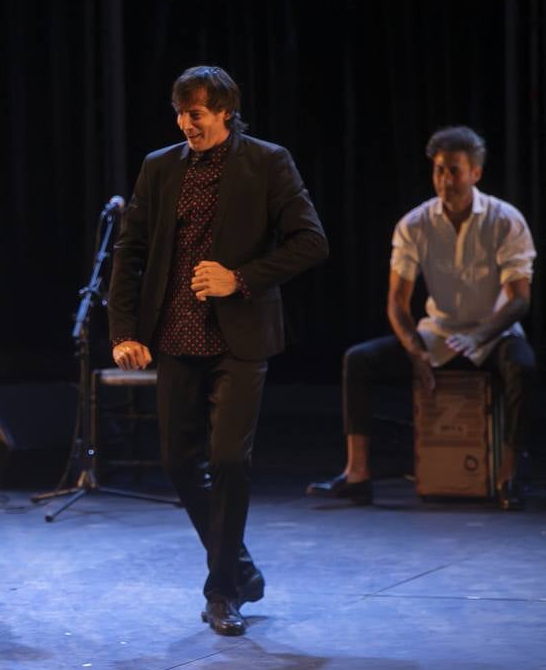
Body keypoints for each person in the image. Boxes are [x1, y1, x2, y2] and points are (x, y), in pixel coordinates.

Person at [108, 66, 328, 636]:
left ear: (226, 110)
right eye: (180, 114)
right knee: (180, 463)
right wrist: (124, 331)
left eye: (197, 114)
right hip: (177, 337)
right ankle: (240, 565)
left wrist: (242, 278)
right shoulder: (161, 167)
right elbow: (130, 252)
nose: (187, 125)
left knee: (229, 459)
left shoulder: (266, 161)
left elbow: (311, 241)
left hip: (239, 337)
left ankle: (221, 590)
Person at [308, 126, 535, 510]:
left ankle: (507, 476)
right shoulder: (415, 224)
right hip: (440, 332)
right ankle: (357, 473)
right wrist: (414, 350)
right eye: (439, 170)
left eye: (454, 170)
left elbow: (519, 301)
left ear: (475, 173)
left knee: (523, 367)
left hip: (493, 332)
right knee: (358, 360)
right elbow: (397, 301)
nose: (445, 180)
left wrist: (480, 336)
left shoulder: (505, 220)